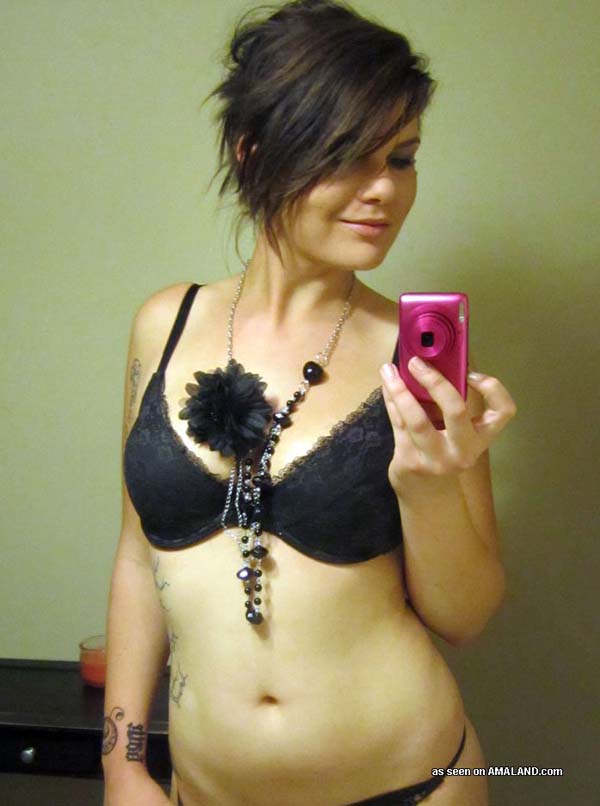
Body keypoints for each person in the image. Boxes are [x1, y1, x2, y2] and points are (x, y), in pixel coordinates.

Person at [101, 1, 517, 804]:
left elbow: (466, 616)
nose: (384, 189)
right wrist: (122, 761)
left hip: (409, 787)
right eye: (349, 157)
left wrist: (430, 488)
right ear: (252, 152)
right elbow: (134, 557)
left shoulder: (417, 357)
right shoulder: (164, 324)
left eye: (402, 158)